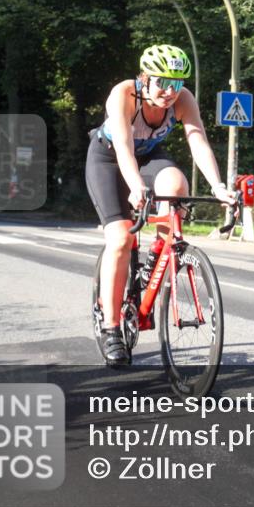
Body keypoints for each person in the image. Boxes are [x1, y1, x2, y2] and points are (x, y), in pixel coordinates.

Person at [85, 44, 234, 366]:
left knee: (176, 184)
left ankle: (160, 252)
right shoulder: (123, 94)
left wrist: (219, 186)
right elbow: (124, 148)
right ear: (144, 79)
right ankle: (112, 327)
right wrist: (136, 187)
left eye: (177, 84)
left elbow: (198, 141)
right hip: (109, 158)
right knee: (121, 239)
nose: (169, 92)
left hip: (149, 157)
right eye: (162, 83)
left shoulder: (183, 99)